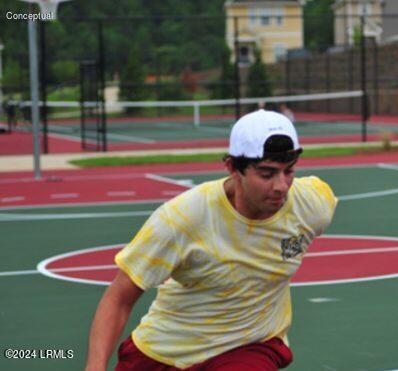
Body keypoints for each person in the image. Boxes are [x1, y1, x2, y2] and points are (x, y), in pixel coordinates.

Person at [85, 109, 338, 371]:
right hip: (165, 352)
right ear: (232, 168)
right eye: (266, 174)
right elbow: (119, 298)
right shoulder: (182, 218)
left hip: (249, 347)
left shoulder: (312, 204)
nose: (281, 186)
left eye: (289, 171)